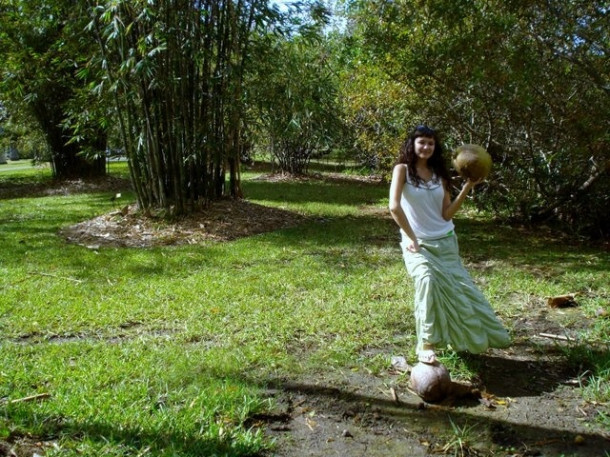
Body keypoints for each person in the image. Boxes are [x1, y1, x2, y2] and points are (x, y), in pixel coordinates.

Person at [388, 125, 510, 364]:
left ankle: (466, 339)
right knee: (426, 281)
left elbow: (446, 214)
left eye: (431, 143)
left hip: (445, 242)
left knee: (460, 292)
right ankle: (427, 343)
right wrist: (411, 237)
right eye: (421, 142)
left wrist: (466, 188)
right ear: (412, 144)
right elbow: (394, 206)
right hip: (418, 243)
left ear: (436, 147)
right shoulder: (402, 170)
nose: (426, 147)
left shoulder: (440, 174)